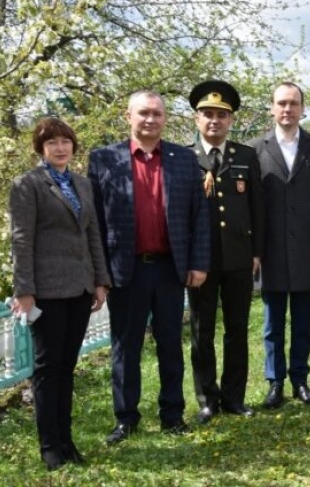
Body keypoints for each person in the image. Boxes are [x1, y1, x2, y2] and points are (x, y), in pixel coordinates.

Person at [89, 90, 210, 445]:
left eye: (157, 114)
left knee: (171, 343)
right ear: (128, 116)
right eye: (143, 113)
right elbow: (94, 221)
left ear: (165, 119)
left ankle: (172, 414)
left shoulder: (184, 159)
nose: (150, 120)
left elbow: (199, 216)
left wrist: (199, 263)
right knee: (125, 347)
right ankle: (126, 418)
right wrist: (100, 272)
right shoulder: (103, 159)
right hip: (125, 269)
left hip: (170, 268)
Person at [9, 118, 111, 470]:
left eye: (65, 141)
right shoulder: (27, 185)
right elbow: (21, 241)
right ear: (40, 148)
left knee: (66, 367)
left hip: (80, 289)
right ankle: (50, 446)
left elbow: (92, 235)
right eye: (51, 142)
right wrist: (24, 291)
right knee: (47, 369)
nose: (60, 147)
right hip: (46, 291)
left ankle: (67, 441)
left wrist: (100, 280)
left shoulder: (82, 184)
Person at [248, 82, 310, 409]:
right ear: (272, 108)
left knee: (303, 322)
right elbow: (251, 207)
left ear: (302, 109)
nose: (287, 109)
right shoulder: (255, 148)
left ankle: (300, 380)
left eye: (294, 103)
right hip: (270, 250)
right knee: (272, 324)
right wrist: (254, 252)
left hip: (309, 248)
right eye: (281, 103)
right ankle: (275, 384)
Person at [187, 80, 264, 423]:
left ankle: (234, 398)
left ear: (230, 120)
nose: (214, 120)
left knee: (237, 330)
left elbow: (257, 209)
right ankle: (207, 399)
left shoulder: (246, 156)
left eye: (221, 115)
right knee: (202, 332)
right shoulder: (184, 158)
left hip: (238, 257)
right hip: (200, 261)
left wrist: (257, 252)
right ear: (196, 119)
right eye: (207, 114)